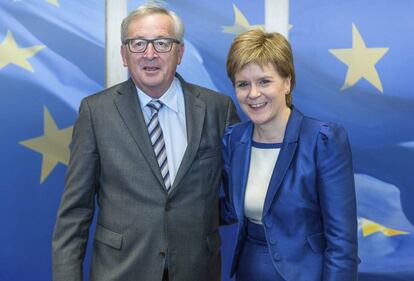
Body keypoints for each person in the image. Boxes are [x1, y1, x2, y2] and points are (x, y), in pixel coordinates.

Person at [52, 4, 239, 281]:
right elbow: (75, 212)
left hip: (197, 270)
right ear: (124, 54)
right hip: (121, 271)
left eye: (162, 43)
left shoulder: (217, 109)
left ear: (180, 52)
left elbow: (238, 194)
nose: (149, 54)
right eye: (138, 43)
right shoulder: (96, 112)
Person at [220, 29, 358, 281]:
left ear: (287, 82)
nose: (253, 94)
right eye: (243, 84)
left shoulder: (322, 140)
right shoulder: (234, 139)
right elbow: (228, 209)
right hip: (249, 271)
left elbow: (342, 244)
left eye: (264, 81)